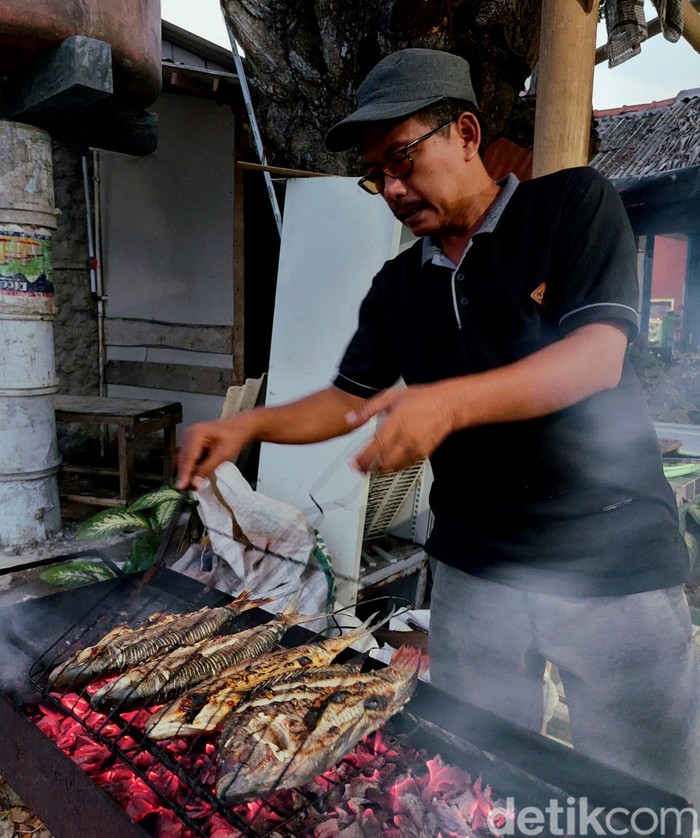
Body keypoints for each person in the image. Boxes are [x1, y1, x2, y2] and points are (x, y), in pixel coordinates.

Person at [177, 48, 700, 804]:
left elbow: (594, 359)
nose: (390, 188)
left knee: (640, 790)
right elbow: (345, 401)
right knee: (474, 771)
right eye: (376, 173)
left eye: (403, 159)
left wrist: (447, 403)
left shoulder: (571, 208)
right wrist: (245, 428)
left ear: (464, 132)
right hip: (474, 563)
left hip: (608, 556)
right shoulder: (398, 284)